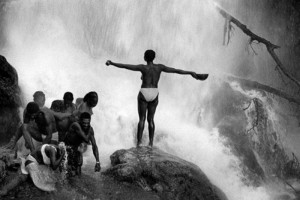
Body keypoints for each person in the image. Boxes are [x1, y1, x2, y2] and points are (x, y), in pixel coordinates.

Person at [106, 49, 208, 147]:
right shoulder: (160, 67)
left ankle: (139, 143)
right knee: (151, 120)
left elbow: (125, 66)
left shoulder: (143, 68)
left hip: (144, 92)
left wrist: (112, 63)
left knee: (142, 119)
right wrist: (190, 72)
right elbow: (176, 71)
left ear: (145, 58)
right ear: (154, 58)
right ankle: (150, 144)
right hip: (154, 93)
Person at [0, 143, 65, 196]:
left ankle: (4, 190)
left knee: (21, 178)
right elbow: (54, 166)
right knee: (51, 185)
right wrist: (62, 155)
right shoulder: (52, 150)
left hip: (31, 162)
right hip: (32, 164)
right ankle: (4, 191)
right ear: (60, 152)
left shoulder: (53, 149)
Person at [64, 112, 100, 177]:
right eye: (84, 123)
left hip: (76, 148)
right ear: (80, 121)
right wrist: (89, 131)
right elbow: (86, 139)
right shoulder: (76, 125)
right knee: (68, 171)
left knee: (79, 166)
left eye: (87, 123)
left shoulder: (90, 129)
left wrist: (97, 162)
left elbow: (94, 146)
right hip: (67, 147)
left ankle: (77, 184)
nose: (86, 125)